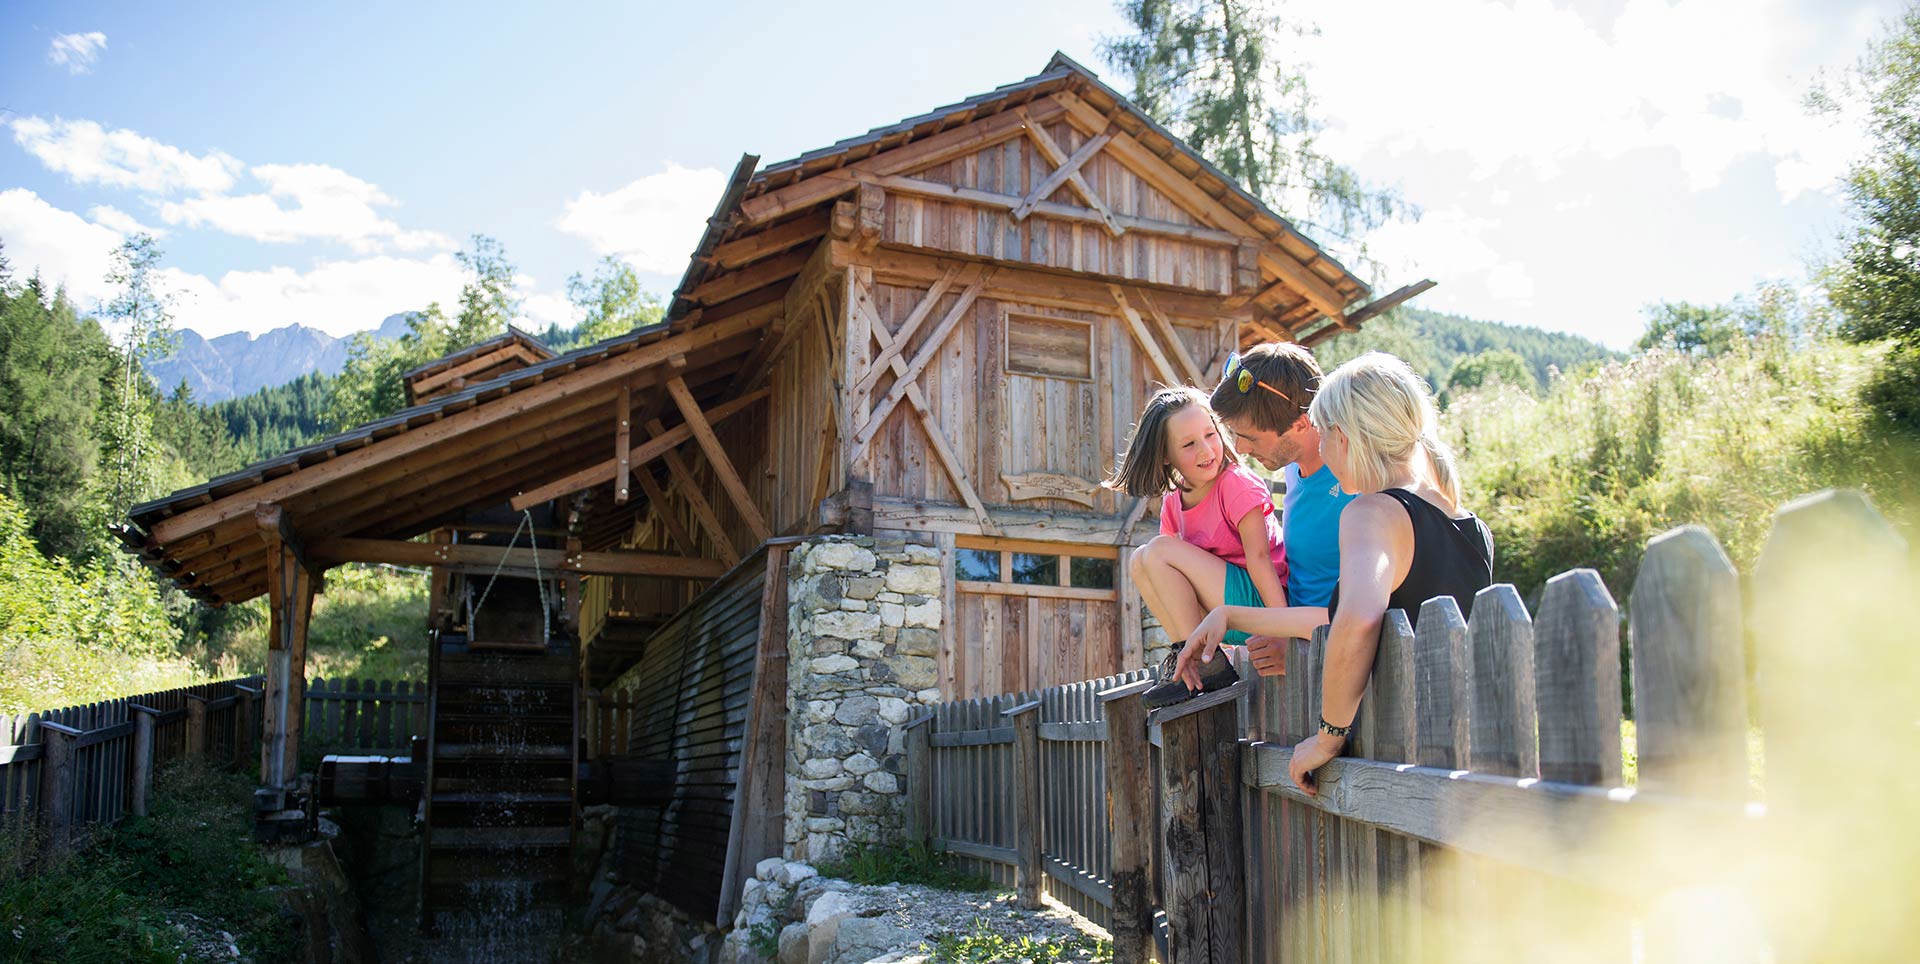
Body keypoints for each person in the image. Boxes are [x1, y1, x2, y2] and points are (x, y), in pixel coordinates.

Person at [1172, 352, 1493, 795]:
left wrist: (1327, 736)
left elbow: (1356, 620)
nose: (1320, 451)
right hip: (1463, 750)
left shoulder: (1371, 512)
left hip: (1392, 750)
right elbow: (1346, 615)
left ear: (1343, 437)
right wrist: (1231, 615)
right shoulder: (1473, 526)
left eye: (1326, 439)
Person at [1106, 386, 1288, 708]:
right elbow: (1167, 580)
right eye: (1189, 444)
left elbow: (1260, 560)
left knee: (1159, 549)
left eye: (1210, 434)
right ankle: (1191, 659)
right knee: (1140, 559)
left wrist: (1283, 629)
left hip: (1262, 604)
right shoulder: (1173, 504)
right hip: (1220, 617)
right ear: (1166, 455)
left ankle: (1204, 663)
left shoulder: (1236, 484)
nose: (1206, 451)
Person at [1207, 343, 1356, 677]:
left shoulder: (1356, 481)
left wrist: (1292, 638)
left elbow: (1368, 605)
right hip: (1291, 645)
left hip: (1332, 655)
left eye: (1252, 439)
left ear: (1302, 424)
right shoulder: (1292, 468)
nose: (1240, 449)